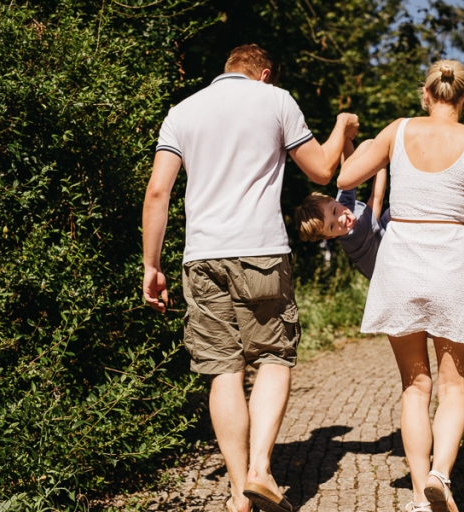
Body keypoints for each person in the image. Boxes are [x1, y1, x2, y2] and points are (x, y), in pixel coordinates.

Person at [142, 44, 358, 512]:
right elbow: (322, 168)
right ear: (263, 74)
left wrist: (151, 265)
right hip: (262, 252)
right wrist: (342, 126)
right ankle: (261, 468)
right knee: (275, 358)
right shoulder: (276, 99)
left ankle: (240, 491)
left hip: (202, 257)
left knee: (223, 370)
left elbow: (158, 191)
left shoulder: (182, 112)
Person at [337, 60, 464, 512]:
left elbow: (344, 179)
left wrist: (366, 145)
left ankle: (423, 495)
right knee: (454, 385)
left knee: (414, 386)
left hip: (401, 258)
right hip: (452, 261)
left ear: (426, 94)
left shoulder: (398, 130)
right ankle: (443, 473)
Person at [294, 140, 389, 279]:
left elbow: (348, 169)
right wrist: (380, 158)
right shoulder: (356, 234)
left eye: (334, 212)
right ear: (330, 236)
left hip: (383, 232)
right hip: (386, 270)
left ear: (333, 200)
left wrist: (346, 137)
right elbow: (376, 197)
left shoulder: (341, 203)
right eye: (332, 226)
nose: (341, 219)